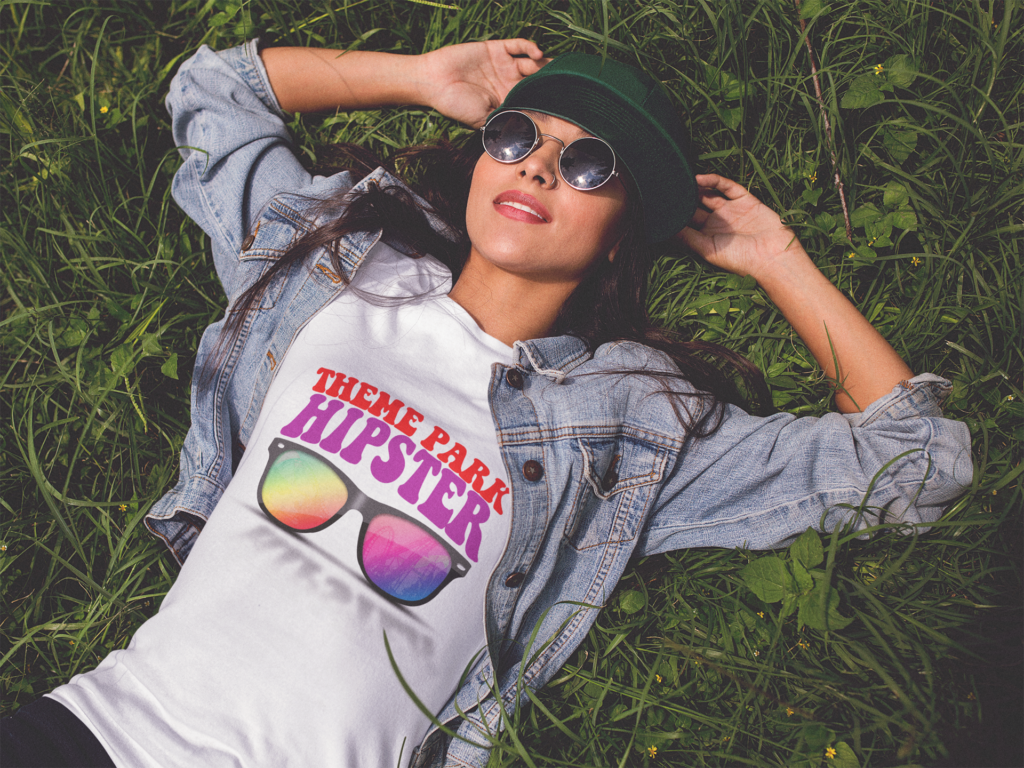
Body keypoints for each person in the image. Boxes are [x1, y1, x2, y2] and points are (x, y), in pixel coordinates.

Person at [1, 37, 971, 768]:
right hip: (96, 731)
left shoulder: (624, 428)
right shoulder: (331, 270)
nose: (539, 166)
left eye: (591, 164)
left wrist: (774, 259)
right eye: (516, 137)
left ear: (621, 231)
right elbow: (213, 89)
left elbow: (917, 460)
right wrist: (424, 75)